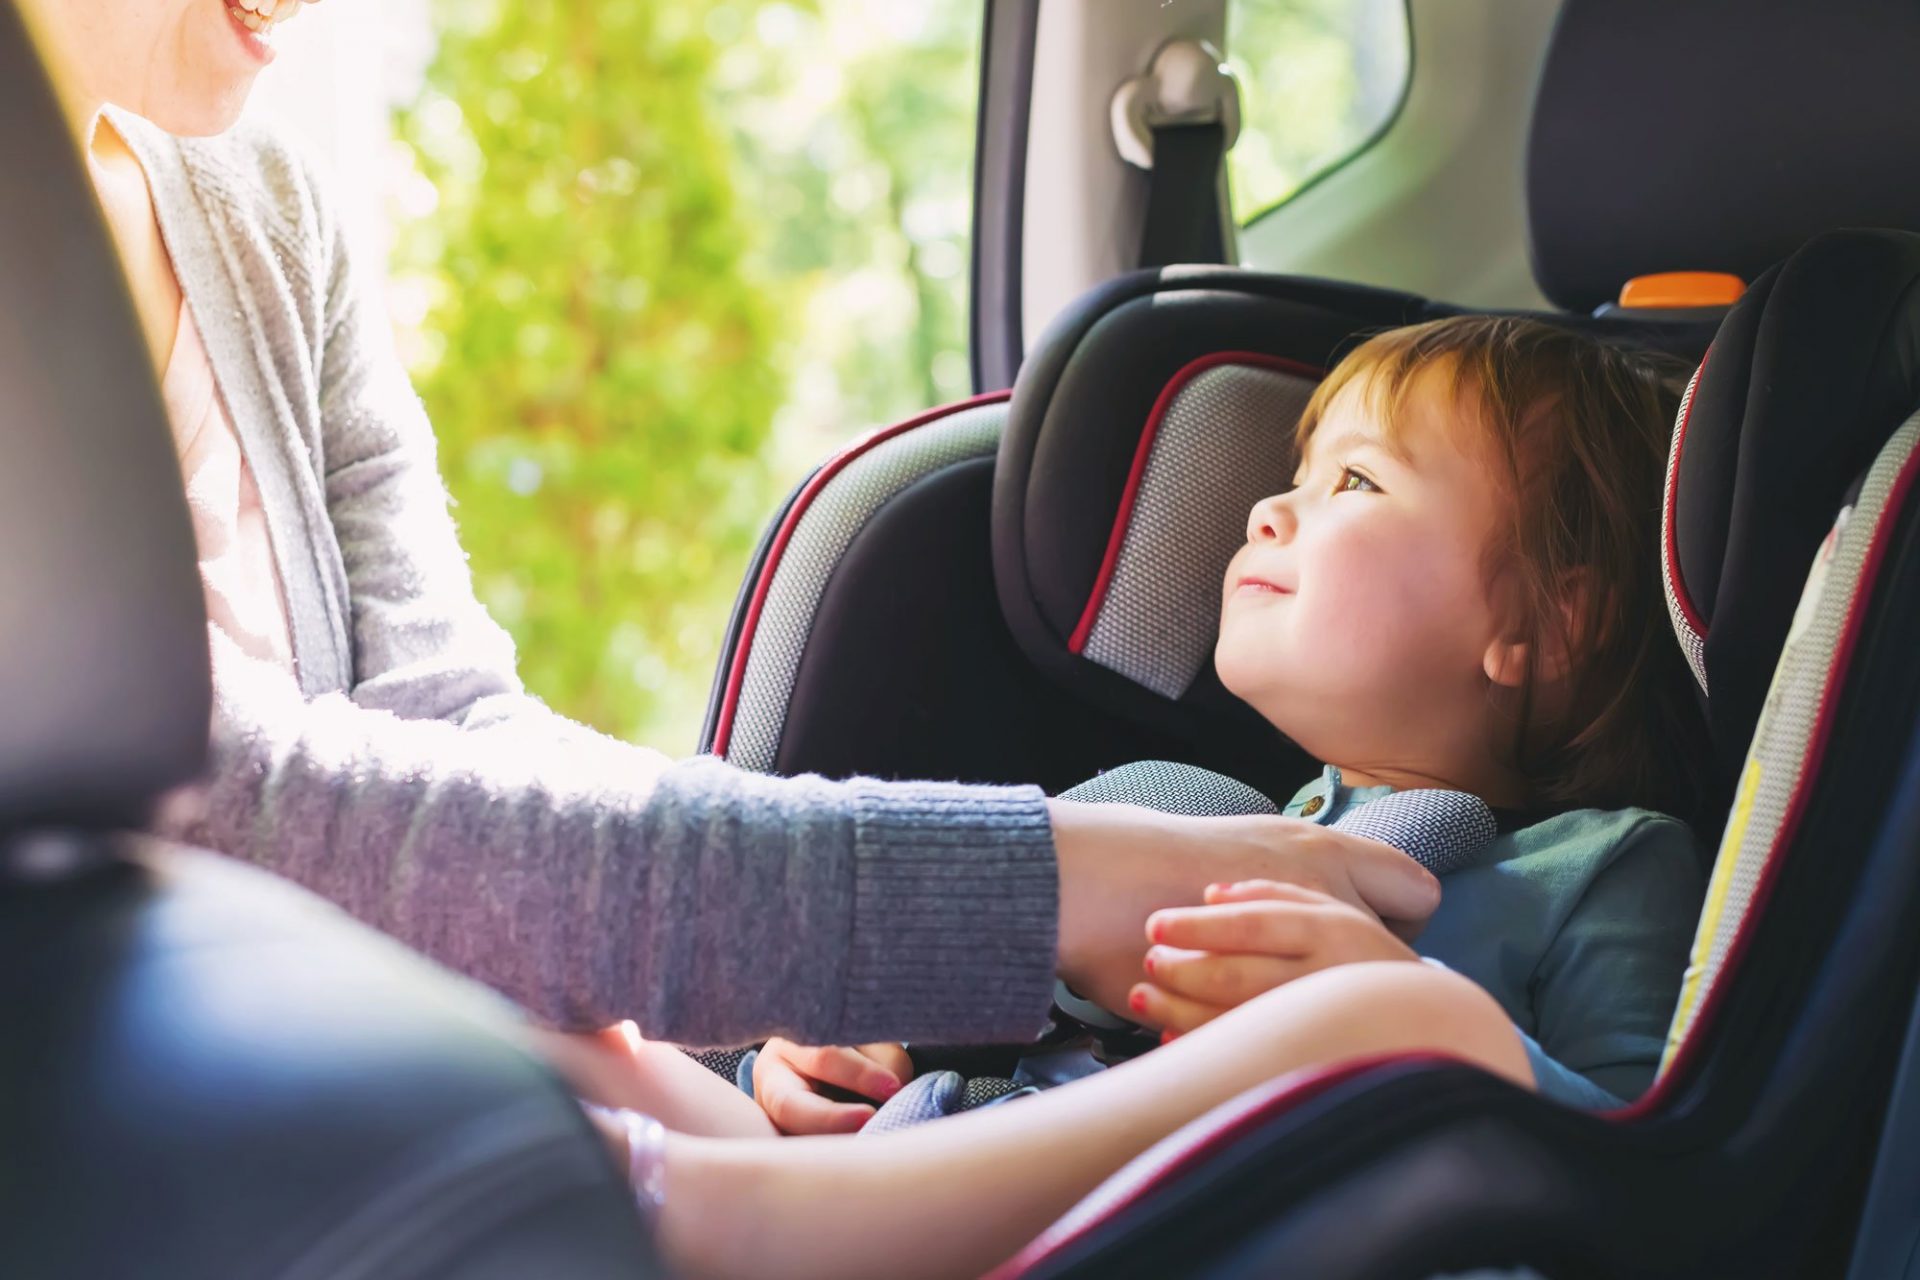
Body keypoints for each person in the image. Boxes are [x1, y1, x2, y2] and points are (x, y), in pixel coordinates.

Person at [16, 0, 1437, 1054]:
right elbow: (235, 810)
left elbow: (446, 725)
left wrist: (768, 1011)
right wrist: (1048, 880)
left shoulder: (264, 216)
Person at [556, 316, 1710, 1280]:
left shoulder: (1603, 867)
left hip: (1181, 1232)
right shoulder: (1161, 814)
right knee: (553, 1027)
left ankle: (707, 1209)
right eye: (1292, 475)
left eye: (1354, 480)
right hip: (915, 1169)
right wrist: (809, 1064)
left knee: (1411, 1028)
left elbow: (1628, 1181)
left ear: (1551, 622)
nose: (1269, 508)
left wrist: (1400, 1015)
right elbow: (958, 1043)